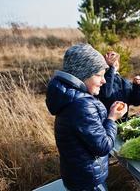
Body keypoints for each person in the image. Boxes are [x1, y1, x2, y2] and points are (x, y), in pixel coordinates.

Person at [45, 44, 127, 191]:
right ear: (83, 74)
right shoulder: (81, 105)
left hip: (76, 175)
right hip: (88, 180)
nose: (104, 81)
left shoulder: (70, 96)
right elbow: (103, 146)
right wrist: (112, 118)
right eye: (99, 75)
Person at [98, 51, 140, 122]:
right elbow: (106, 93)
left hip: (123, 123)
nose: (113, 62)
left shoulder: (125, 82)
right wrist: (110, 68)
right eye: (110, 59)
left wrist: (137, 87)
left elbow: (136, 102)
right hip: (106, 122)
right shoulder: (100, 81)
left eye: (115, 60)